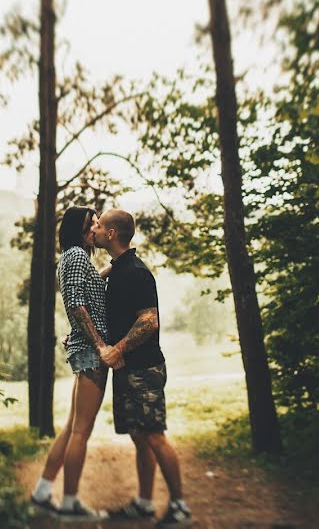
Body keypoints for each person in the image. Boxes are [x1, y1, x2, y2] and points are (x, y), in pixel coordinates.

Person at [92, 209, 193, 526]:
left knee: (154, 435)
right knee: (139, 435)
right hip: (127, 368)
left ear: (111, 234)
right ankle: (145, 504)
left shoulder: (135, 272)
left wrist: (117, 350)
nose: (94, 229)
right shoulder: (121, 269)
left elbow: (149, 321)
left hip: (143, 368)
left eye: (99, 225)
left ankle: (179, 507)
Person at [29, 206, 120, 520]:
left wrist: (112, 268)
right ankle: (69, 502)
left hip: (84, 349)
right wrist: (100, 344)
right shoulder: (78, 257)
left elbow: (88, 287)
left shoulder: (74, 258)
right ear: (82, 229)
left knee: (71, 428)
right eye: (94, 223)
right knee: (81, 431)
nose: (98, 227)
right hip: (92, 353)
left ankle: (42, 491)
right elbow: (76, 304)